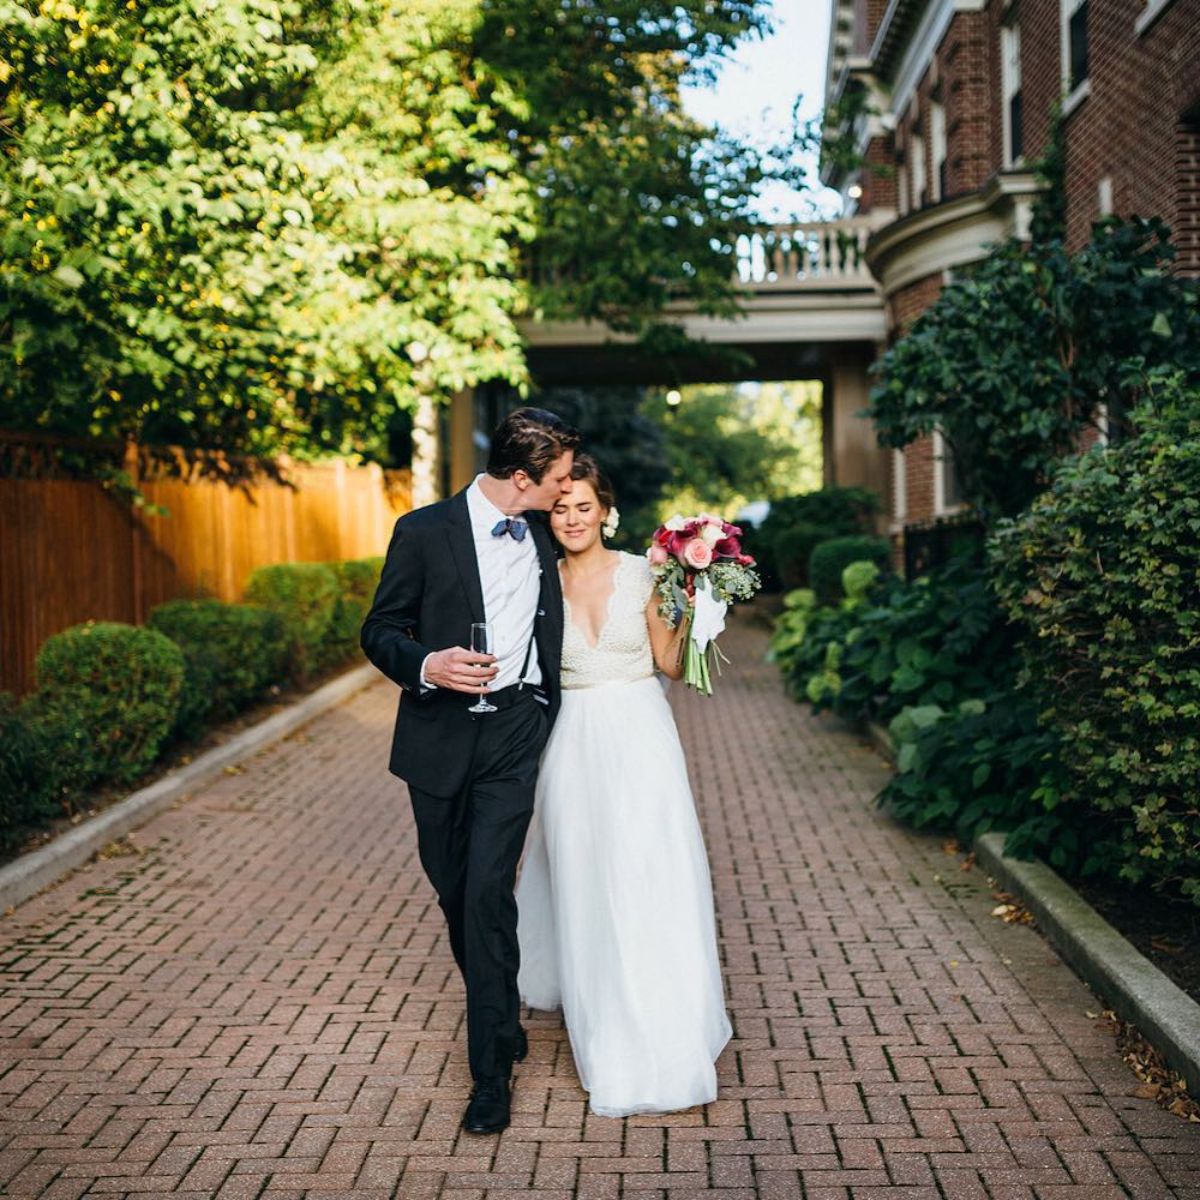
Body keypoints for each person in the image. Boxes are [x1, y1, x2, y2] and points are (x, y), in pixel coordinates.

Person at [361, 407, 580, 1135]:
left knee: (488, 891)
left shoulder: (550, 535)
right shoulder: (422, 532)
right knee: (457, 893)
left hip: (515, 732)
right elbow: (380, 629)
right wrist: (428, 663)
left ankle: (490, 1071)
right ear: (522, 479)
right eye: (556, 480)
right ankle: (501, 999)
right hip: (438, 739)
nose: (564, 490)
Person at [516, 454, 732, 1117]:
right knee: (583, 884)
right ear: (547, 517)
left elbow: (672, 666)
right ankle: (603, 1029)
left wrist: (702, 604)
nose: (572, 518)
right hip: (570, 747)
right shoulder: (535, 585)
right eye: (560, 507)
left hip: (640, 738)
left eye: (583, 506)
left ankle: (665, 1022)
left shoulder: (647, 572)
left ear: (605, 511)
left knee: (646, 876)